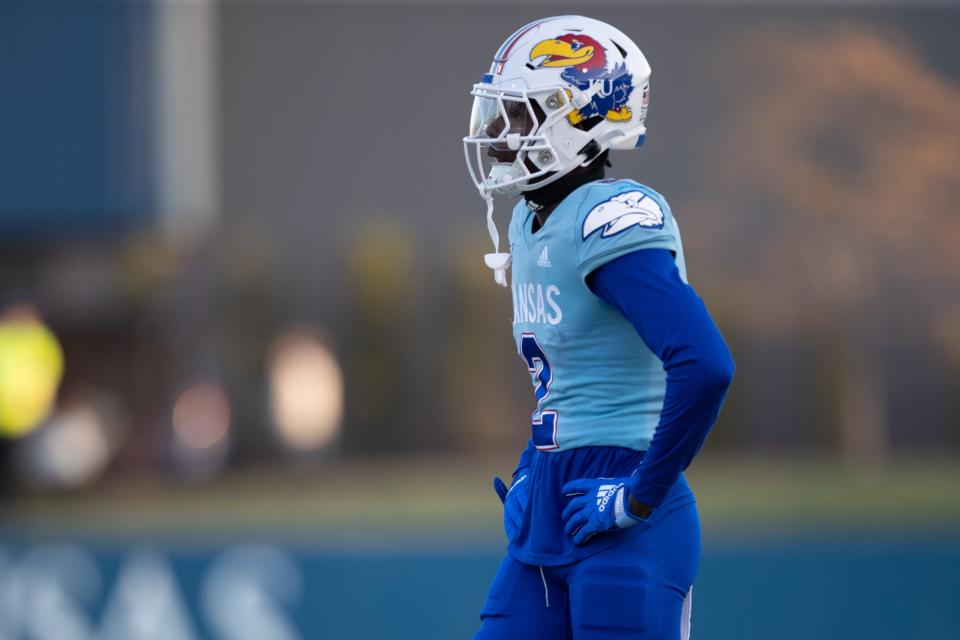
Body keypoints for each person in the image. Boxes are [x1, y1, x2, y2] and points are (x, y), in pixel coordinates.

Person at [463, 15, 735, 639]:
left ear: (579, 121)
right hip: (553, 505)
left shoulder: (610, 217)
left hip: (627, 513)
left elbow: (705, 364)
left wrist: (640, 493)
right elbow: (566, 382)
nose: (499, 134)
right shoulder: (531, 221)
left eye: (520, 114)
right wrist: (536, 462)